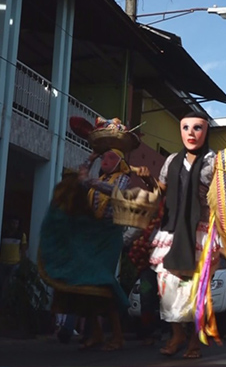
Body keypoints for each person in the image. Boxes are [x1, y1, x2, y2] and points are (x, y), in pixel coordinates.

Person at [39, 146, 144, 351]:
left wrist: (90, 182)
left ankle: (117, 336)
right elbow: (81, 179)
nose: (105, 160)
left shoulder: (122, 179)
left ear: (120, 164)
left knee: (102, 282)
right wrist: (92, 157)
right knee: (86, 285)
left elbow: (118, 194)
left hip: (109, 236)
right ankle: (96, 333)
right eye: (103, 157)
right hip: (91, 235)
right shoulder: (99, 180)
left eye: (110, 157)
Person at [148, 111, 217, 359]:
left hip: (200, 231)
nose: (191, 133)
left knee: (195, 289)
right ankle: (177, 334)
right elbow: (162, 190)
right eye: (186, 127)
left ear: (205, 132)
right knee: (166, 284)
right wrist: (148, 181)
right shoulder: (172, 160)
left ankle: (194, 340)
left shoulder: (215, 162)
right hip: (172, 229)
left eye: (197, 128)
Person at [0, 216, 27, 303]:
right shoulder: (3, 233)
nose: (14, 225)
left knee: (10, 284)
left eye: (16, 223)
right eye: (13, 223)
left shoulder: (21, 235)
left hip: (15, 263)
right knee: (2, 283)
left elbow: (23, 249)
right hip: (3, 262)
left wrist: (22, 262)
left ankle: (8, 303)